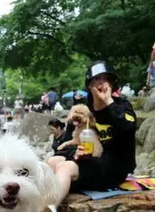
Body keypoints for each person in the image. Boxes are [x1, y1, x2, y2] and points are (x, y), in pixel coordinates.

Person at [47, 61, 137, 199]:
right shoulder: (82, 111)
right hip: (88, 161)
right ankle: (45, 203)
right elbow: (65, 143)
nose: (103, 83)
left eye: (107, 79)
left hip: (114, 168)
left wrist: (108, 102)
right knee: (52, 162)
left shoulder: (121, 106)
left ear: (113, 84)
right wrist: (75, 153)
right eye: (98, 79)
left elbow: (128, 128)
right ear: (89, 85)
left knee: (65, 168)